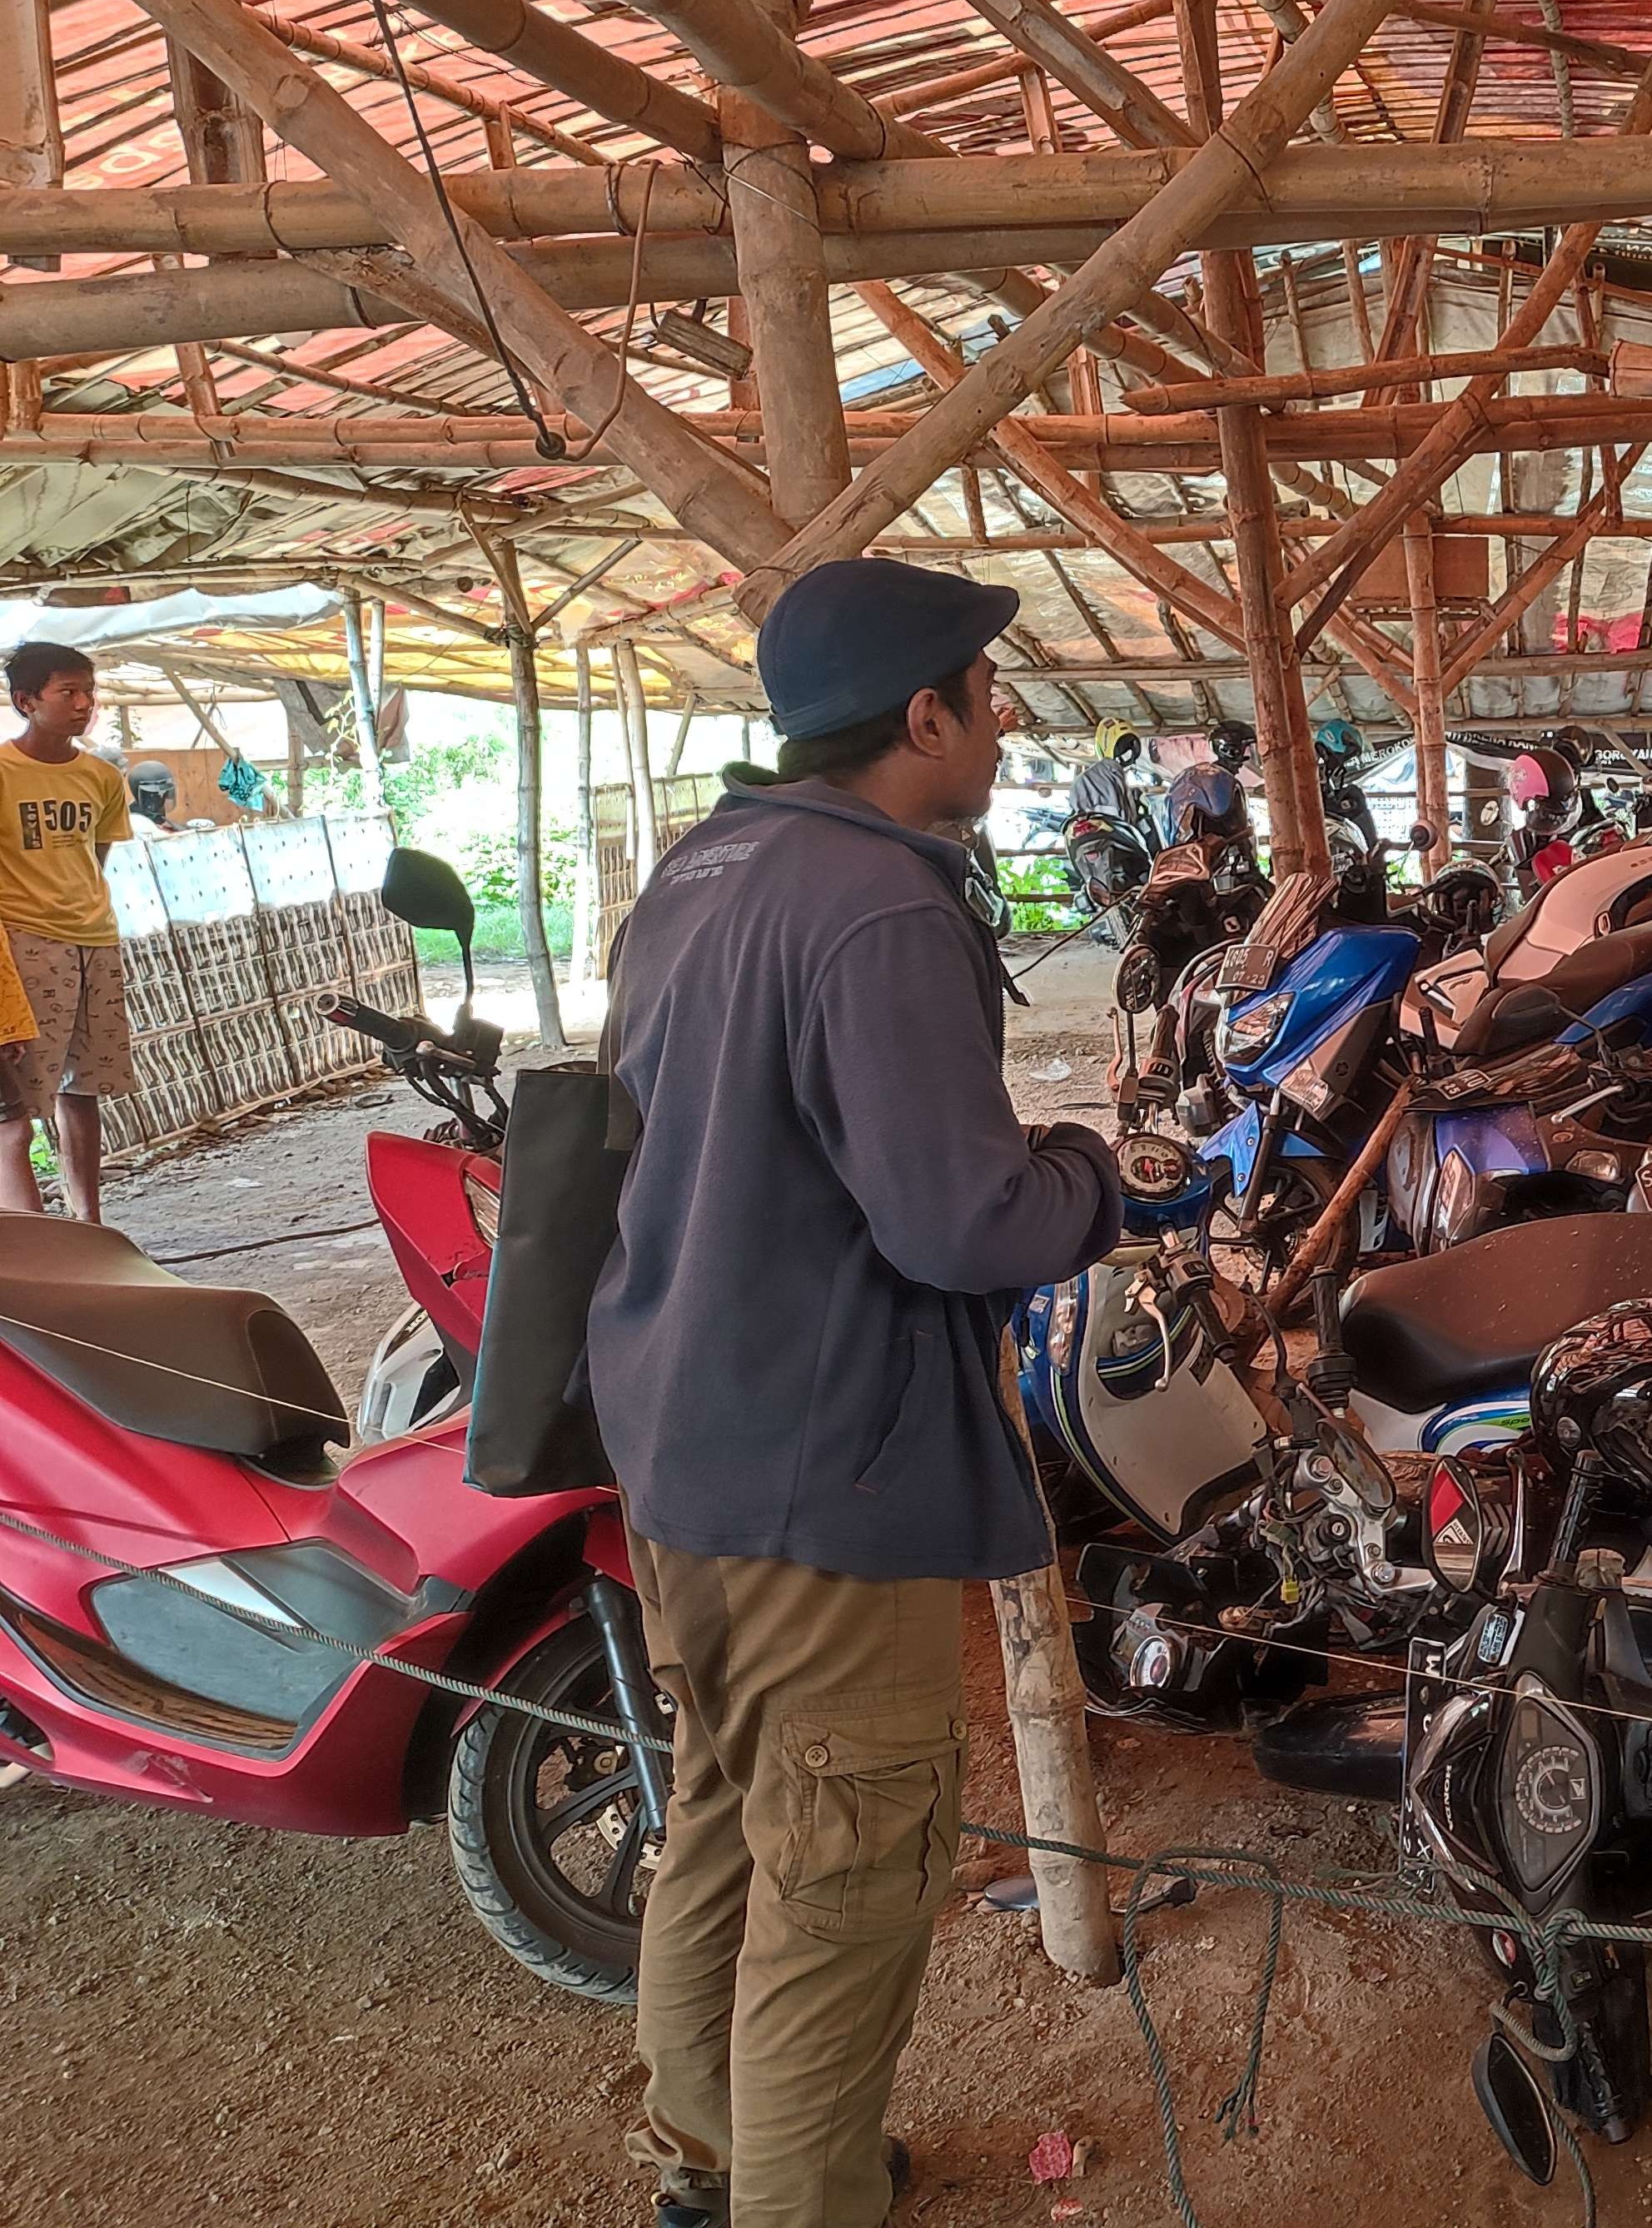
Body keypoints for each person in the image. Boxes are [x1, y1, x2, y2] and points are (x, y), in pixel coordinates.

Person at [584, 559, 1142, 2228]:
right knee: (846, 1883)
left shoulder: (710, 864)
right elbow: (959, 1220)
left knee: (729, 1823)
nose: (1007, 716)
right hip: (821, 1473)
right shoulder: (885, 903)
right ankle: (799, 2200)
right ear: (923, 717)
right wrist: (1100, 1177)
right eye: (989, 690)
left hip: (683, 1440)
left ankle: (713, 2164)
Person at [0, 643, 133, 1225]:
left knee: (86, 1088)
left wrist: (84, 916)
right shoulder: (3, 774)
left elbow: (94, 859)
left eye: (89, 692)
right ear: (26, 701)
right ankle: (32, 1234)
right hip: (26, 943)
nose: (84, 705)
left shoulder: (102, 777)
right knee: (22, 1102)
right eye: (67, 693)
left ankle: (89, 1222)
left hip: (95, 940)